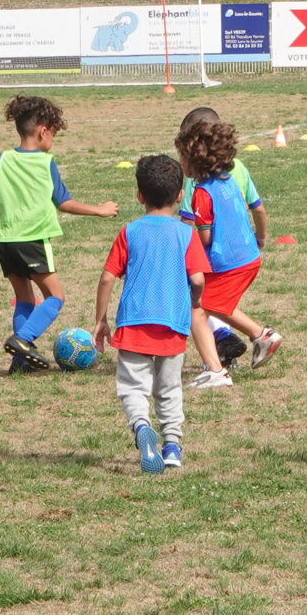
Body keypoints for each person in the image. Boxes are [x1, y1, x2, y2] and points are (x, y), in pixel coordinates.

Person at [0, 94, 116, 373]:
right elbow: (64, 202)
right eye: (53, 133)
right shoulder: (45, 163)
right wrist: (99, 209)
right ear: (43, 130)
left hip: (5, 240)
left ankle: (20, 364)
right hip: (33, 240)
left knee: (25, 298)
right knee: (56, 296)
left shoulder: (2, 160)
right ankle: (23, 340)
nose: (53, 139)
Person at [95, 154, 212, 475]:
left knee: (133, 387)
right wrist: (195, 301)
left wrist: (100, 319)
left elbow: (107, 277)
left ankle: (142, 427)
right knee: (169, 388)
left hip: (133, 324)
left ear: (139, 196)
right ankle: (171, 446)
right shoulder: (185, 234)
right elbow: (199, 279)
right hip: (173, 326)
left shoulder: (129, 232)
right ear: (179, 196)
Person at [174, 115, 277, 388]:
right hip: (249, 258)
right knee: (215, 305)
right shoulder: (229, 180)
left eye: (182, 156)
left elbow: (205, 237)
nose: (180, 162)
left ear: (194, 160)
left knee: (196, 309)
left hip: (228, 263)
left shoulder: (201, 193)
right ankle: (261, 335)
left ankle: (216, 371)